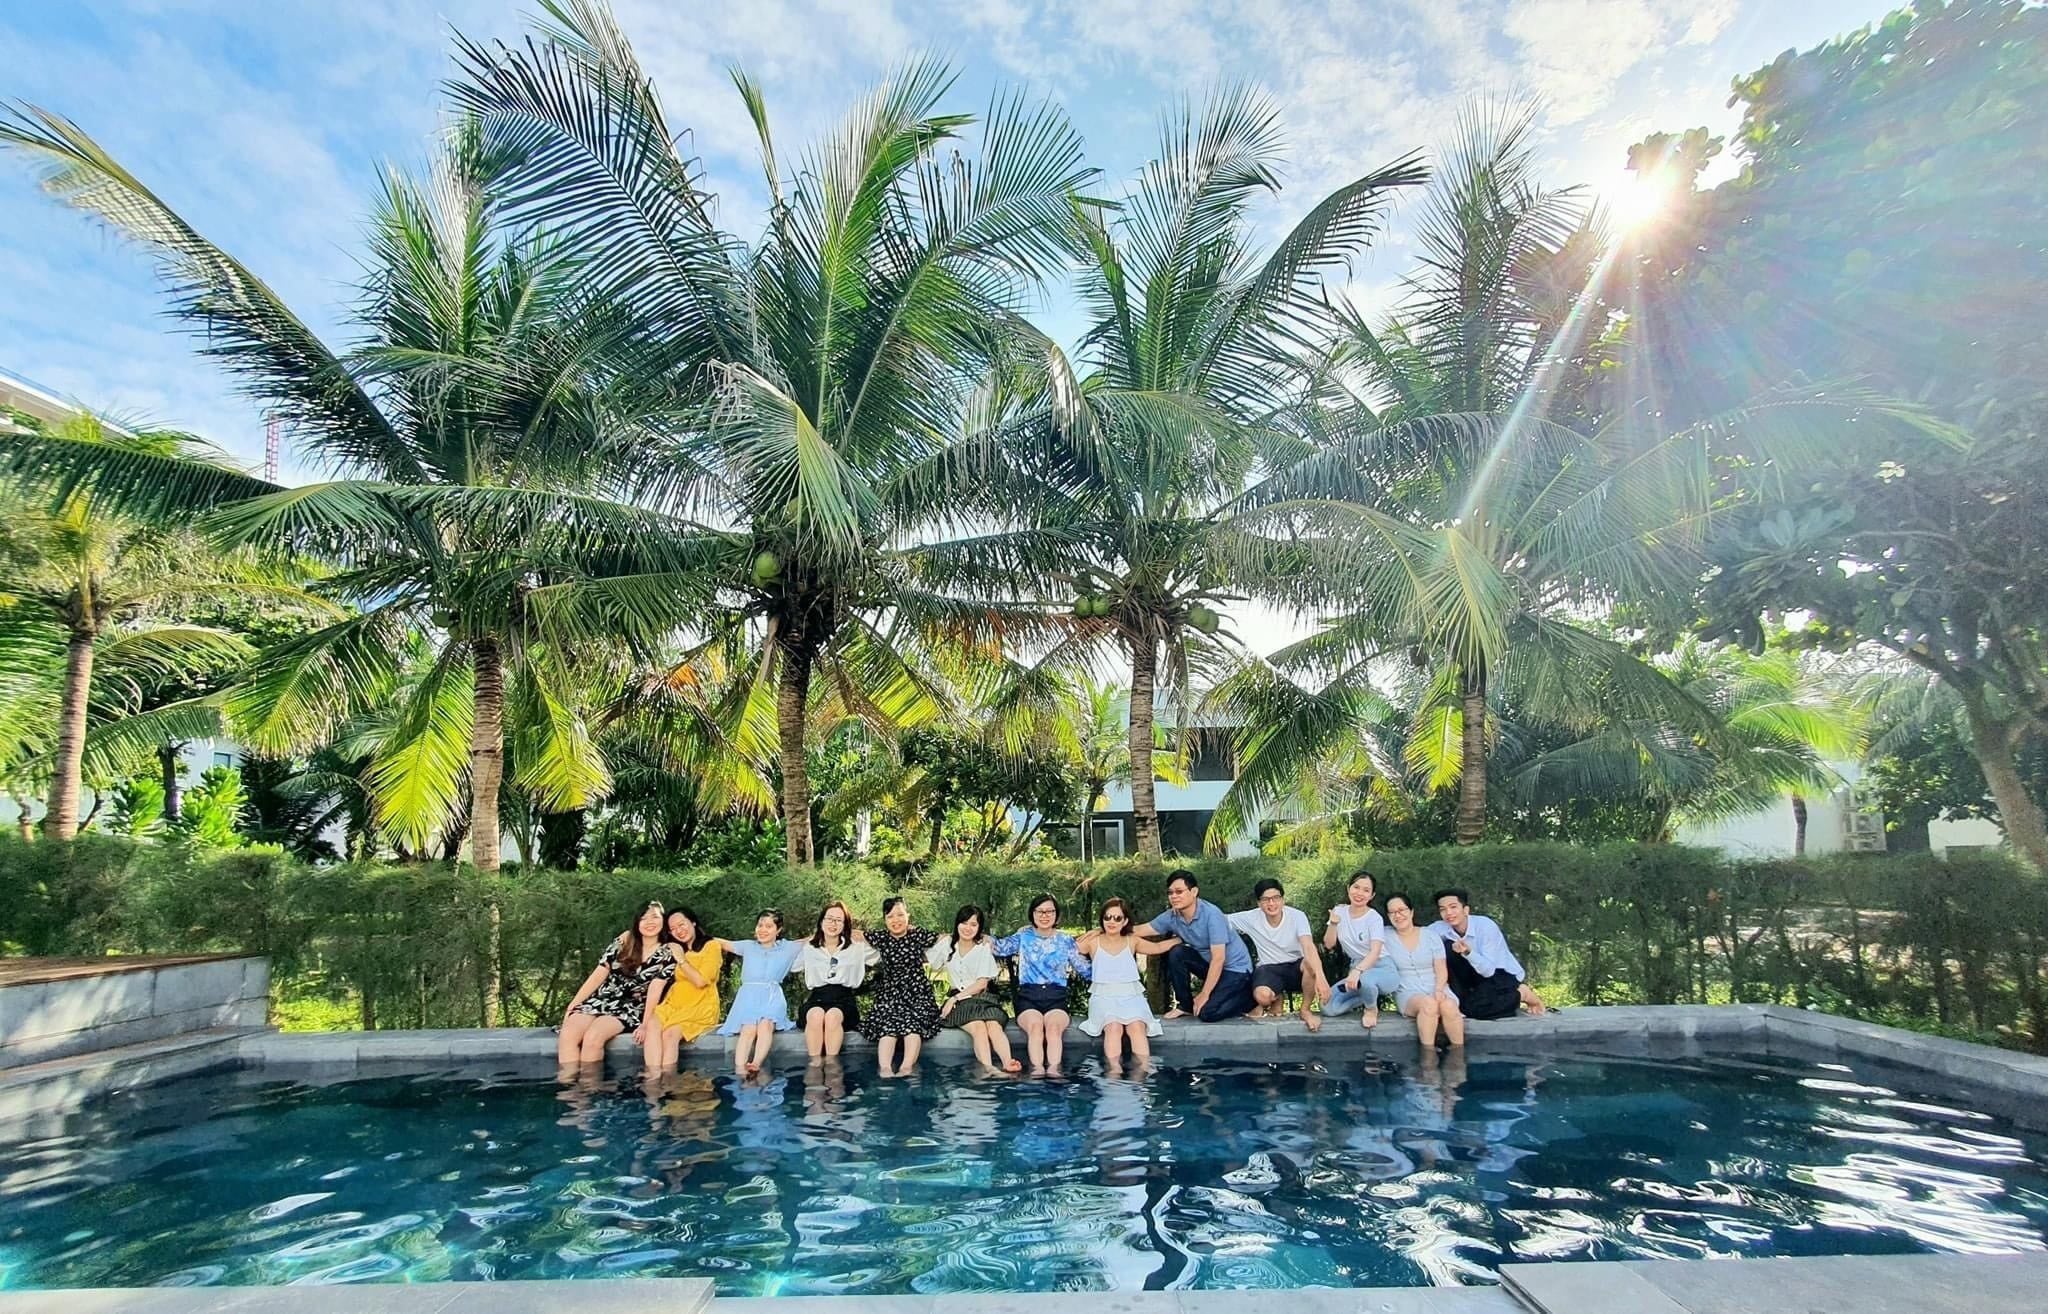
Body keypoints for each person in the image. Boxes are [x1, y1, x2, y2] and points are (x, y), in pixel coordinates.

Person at [559, 901, 675, 1069]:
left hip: (631, 1007)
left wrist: (645, 1024)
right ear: (636, 923)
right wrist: (574, 1004)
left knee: (593, 1037)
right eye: (643, 918)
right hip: (602, 999)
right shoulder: (625, 940)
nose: (649, 922)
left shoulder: (668, 952)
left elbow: (655, 990)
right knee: (568, 1034)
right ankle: (568, 1082)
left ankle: (588, 1083)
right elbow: (599, 973)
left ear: (663, 919)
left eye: (655, 917)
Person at [1138, 869, 1255, 1022]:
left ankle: (1250, 1000)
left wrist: (1204, 994)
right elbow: (1143, 929)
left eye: (1179, 891)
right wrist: (1111, 928)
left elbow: (1218, 959)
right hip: (1211, 967)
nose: (1174, 896)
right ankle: (1185, 1006)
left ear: (1194, 892)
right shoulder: (1172, 916)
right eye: (1170, 892)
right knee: (1177, 952)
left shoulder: (1212, 915)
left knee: (1207, 1013)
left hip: (1236, 971)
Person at [993, 893, 1091, 1074]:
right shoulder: (1023, 936)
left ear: (1056, 914)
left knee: (1053, 1029)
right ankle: (1037, 1072)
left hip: (1056, 997)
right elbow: (998, 947)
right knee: (1036, 1027)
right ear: (1032, 913)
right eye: (1040, 911)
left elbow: (1084, 969)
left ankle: (1054, 1072)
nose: (1045, 916)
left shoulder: (1065, 940)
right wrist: (980, 937)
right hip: (1028, 997)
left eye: (1049, 911)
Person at [1076, 897, 1173, 1068]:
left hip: (1131, 997)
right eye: (1107, 917)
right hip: (1103, 997)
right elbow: (1069, 948)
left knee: (1137, 1027)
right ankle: (1113, 1074)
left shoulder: (1132, 940)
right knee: (1113, 1027)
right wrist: (1094, 932)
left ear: (1125, 921)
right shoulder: (1093, 942)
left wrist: (1181, 939)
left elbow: (1157, 948)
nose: (1112, 922)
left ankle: (1142, 1073)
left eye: (1117, 918)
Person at [1227, 878, 1332, 1031]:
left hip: (1297, 966)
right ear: (1259, 903)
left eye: (1276, 898)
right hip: (1269, 968)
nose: (1271, 903)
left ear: (1283, 900)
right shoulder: (1251, 918)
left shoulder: (1297, 916)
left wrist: (1321, 978)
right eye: (1265, 900)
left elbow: (1308, 946)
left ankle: (1305, 1010)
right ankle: (1276, 998)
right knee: (1262, 996)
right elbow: (1219, 919)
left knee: (1309, 963)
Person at [930, 904, 1025, 1074]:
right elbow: (933, 963)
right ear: (957, 923)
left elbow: (982, 983)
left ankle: (1007, 1062)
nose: (968, 928)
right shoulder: (947, 944)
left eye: (973, 924)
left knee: (993, 1026)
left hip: (983, 998)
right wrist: (939, 938)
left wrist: (954, 999)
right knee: (979, 1028)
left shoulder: (983, 948)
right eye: (964, 923)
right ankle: (988, 1068)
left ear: (979, 927)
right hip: (960, 1003)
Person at [712, 909, 804, 1077]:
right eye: (760, 925)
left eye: (768, 926)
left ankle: (756, 1064)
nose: (762, 929)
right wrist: (699, 937)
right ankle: (740, 1069)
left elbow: (813, 939)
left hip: (772, 996)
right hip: (748, 997)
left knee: (765, 1024)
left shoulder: (787, 948)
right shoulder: (748, 946)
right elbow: (723, 943)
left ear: (778, 930)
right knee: (748, 1028)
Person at [1431, 888, 1548, 1019]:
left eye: (1453, 907)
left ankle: (1522, 994)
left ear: (1466, 910)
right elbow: (1419, 936)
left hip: (1500, 974)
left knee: (1474, 1010)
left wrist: (1468, 952)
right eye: (1443, 909)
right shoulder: (1439, 927)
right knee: (1457, 1005)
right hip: (1472, 974)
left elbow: (1489, 971)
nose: (1448, 913)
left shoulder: (1485, 926)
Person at [863, 896, 942, 1077]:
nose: (896, 920)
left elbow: (945, 937)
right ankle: (885, 1068)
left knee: (913, 1024)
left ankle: (907, 1067)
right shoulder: (881, 937)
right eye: (890, 916)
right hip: (890, 993)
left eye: (900, 915)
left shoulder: (917, 935)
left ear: (908, 916)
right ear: (885, 920)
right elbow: (854, 934)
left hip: (917, 992)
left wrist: (984, 937)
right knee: (888, 1025)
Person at [1381, 892, 1464, 1049]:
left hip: (1438, 986)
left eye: (1402, 910)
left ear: (1411, 911)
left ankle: (1458, 1053)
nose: (1398, 915)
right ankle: (1428, 1054)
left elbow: (1441, 969)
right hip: (1407, 991)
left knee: (1449, 1006)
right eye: (1392, 912)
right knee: (1428, 1004)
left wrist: (1439, 989)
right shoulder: (1384, 936)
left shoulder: (1430, 935)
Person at [647, 905, 723, 1073]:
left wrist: (681, 959)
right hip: (674, 1004)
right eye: (673, 929)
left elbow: (701, 981)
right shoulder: (675, 948)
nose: (679, 931)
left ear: (693, 922)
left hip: (700, 1005)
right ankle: (653, 1077)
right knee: (652, 1025)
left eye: (682, 924)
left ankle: (668, 1080)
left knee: (670, 1035)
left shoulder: (711, 946)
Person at [1323, 870, 1403, 1029]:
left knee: (1366, 980)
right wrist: (1333, 924)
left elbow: (1375, 952)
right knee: (1328, 1007)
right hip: (1358, 969)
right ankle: (1367, 994)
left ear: (1372, 895)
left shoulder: (1374, 918)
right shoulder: (1339, 911)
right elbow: (1328, 944)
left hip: (1382, 968)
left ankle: (1371, 1009)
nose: (1359, 893)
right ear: (1348, 888)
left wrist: (1357, 971)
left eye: (1366, 890)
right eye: (1356, 887)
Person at [799, 901, 878, 1059]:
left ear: (845, 924)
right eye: (829, 919)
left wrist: (863, 934)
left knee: (832, 1017)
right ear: (821, 921)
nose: (833, 924)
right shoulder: (808, 948)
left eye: (838, 920)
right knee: (815, 1016)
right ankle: (814, 1065)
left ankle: (831, 1064)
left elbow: (887, 947)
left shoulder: (857, 947)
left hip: (844, 1000)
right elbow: (782, 953)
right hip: (816, 998)